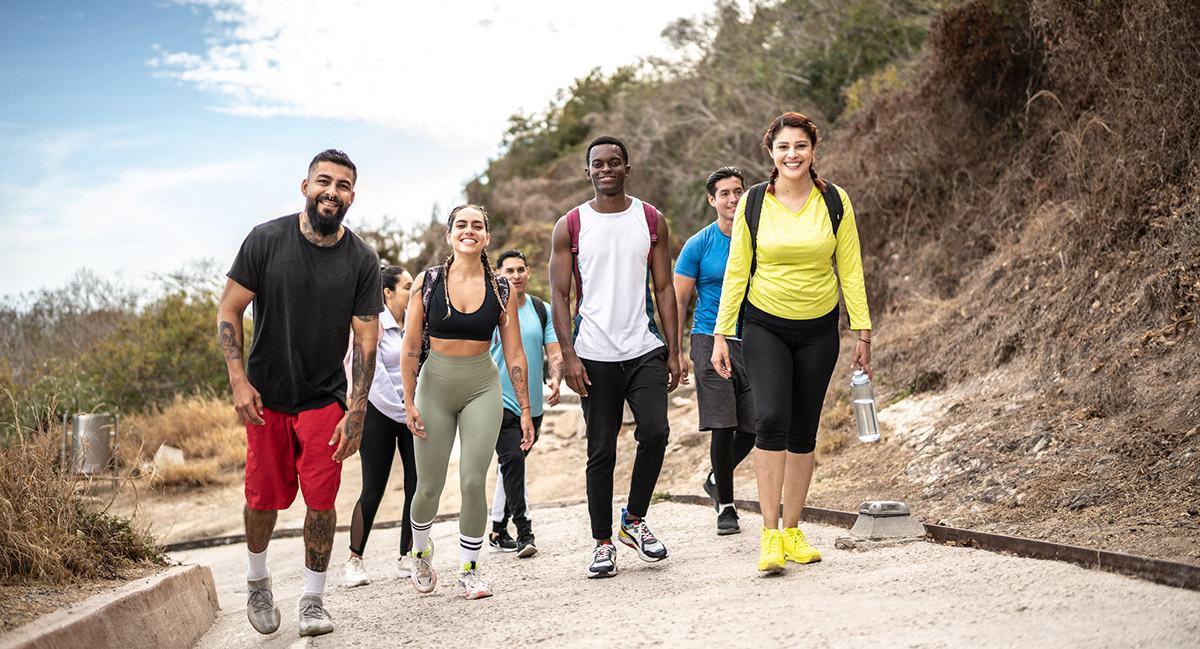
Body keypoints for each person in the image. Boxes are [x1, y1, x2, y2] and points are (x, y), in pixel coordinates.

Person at [217, 149, 381, 637]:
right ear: (305, 187)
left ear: (352, 196)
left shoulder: (361, 259)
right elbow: (229, 310)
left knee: (322, 501)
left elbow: (366, 340)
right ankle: (257, 581)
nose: (333, 191)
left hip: (323, 399)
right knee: (263, 499)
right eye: (324, 181)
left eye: (344, 185)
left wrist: (356, 410)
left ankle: (313, 599)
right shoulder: (265, 240)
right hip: (266, 398)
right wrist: (238, 380)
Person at [711, 112, 872, 573]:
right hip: (765, 326)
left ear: (813, 150)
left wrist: (862, 331)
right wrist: (723, 333)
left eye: (800, 145)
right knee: (772, 421)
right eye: (783, 147)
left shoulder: (835, 201)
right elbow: (738, 268)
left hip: (819, 329)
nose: (792, 154)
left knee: (804, 429)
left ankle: (794, 529)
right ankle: (769, 536)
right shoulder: (755, 202)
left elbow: (851, 269)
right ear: (771, 152)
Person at [548, 135, 682, 579]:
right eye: (598, 164)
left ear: (627, 167)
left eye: (615, 162)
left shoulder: (651, 219)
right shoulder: (570, 225)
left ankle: (635, 520)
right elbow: (560, 295)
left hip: (643, 347)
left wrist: (674, 349)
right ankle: (602, 543)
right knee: (600, 450)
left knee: (657, 433)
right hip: (593, 354)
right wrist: (568, 355)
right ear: (587, 172)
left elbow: (664, 288)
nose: (606, 168)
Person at [399, 205, 535, 600]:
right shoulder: (427, 281)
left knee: (474, 481)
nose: (469, 231)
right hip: (434, 388)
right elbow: (409, 348)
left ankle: (470, 570)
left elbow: (513, 354)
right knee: (428, 487)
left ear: (487, 238)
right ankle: (420, 552)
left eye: (478, 226)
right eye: (462, 225)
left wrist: (525, 409)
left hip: (482, 387)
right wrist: (408, 401)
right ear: (450, 235)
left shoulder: (501, 288)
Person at [674, 166, 756, 536]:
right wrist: (674, 351)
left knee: (754, 428)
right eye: (724, 193)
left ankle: (714, 478)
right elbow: (677, 300)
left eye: (738, 191)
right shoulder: (698, 245)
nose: (733, 199)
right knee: (723, 425)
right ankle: (726, 506)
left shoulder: (759, 236)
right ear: (712, 200)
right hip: (708, 338)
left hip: (754, 338)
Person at [343, 266, 418, 587]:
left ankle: (408, 557)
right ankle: (354, 561)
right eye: (406, 287)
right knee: (373, 488)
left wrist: (415, 408)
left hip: (414, 414)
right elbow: (366, 374)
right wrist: (401, 410)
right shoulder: (370, 324)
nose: (412, 292)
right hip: (379, 414)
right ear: (387, 293)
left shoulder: (416, 323)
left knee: (418, 488)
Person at [486, 249, 562, 558]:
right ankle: (524, 530)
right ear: (498, 275)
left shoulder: (541, 310)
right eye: (509, 270)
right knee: (513, 461)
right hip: (497, 401)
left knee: (512, 467)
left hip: (533, 407)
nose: (516, 275)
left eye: (521, 269)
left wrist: (556, 378)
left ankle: (496, 528)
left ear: (528, 272)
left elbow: (554, 352)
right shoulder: (488, 310)